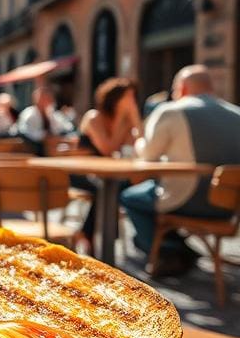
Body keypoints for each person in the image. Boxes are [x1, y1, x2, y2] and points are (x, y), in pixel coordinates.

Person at [120, 65, 240, 276]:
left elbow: (147, 156)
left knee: (130, 197)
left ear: (182, 88)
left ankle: (168, 251)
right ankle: (180, 249)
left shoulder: (171, 110)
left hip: (185, 199)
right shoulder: (236, 113)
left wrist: (138, 140)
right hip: (229, 208)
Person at [71, 78, 142, 252]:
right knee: (105, 188)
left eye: (133, 97)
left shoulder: (125, 122)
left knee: (123, 186)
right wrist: (122, 120)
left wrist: (135, 118)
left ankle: (89, 235)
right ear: (115, 98)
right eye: (127, 97)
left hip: (106, 173)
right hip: (80, 172)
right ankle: (92, 235)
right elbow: (108, 149)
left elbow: (141, 145)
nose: (131, 102)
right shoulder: (94, 117)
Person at [15, 85, 73, 150]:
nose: (46, 100)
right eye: (42, 98)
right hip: (32, 145)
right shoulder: (29, 114)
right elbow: (26, 132)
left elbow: (61, 126)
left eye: (47, 98)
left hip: (47, 144)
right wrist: (44, 135)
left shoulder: (50, 112)